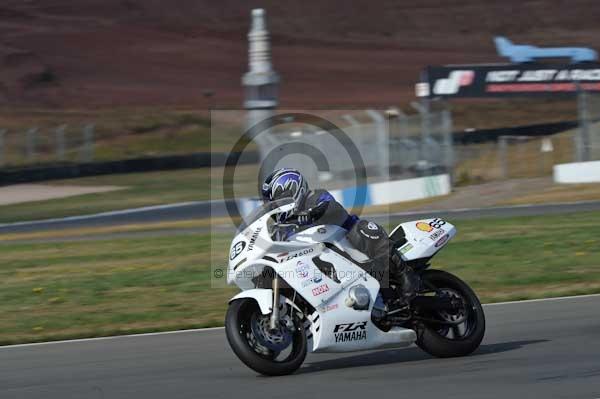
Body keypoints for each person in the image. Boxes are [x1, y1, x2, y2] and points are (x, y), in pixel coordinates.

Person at [261, 168, 416, 307]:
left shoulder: (316, 197)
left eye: (277, 201)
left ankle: (405, 274)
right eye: (271, 204)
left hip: (349, 249)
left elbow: (333, 209)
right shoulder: (279, 229)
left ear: (292, 191)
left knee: (361, 229)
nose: (274, 207)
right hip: (316, 269)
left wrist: (312, 214)